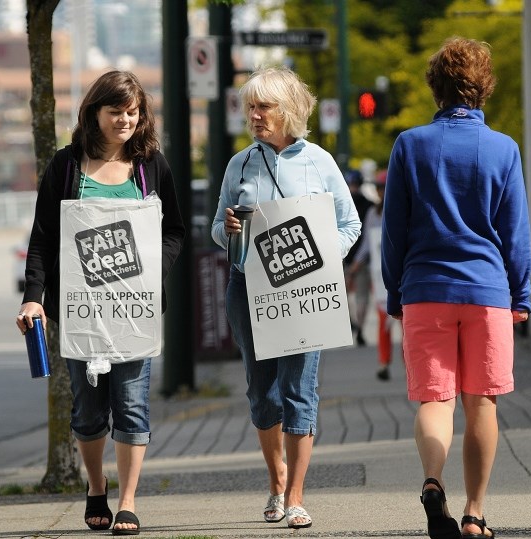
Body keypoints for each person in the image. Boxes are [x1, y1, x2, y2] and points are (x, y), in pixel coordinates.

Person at [15, 70, 185, 535]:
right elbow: (43, 240)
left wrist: (152, 274)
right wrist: (34, 298)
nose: (126, 120)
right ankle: (96, 486)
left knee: (132, 405)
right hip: (81, 313)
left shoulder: (152, 166)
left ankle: (128, 502)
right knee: (88, 413)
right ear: (94, 113)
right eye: (116, 112)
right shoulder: (67, 167)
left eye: (133, 112)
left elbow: (173, 232)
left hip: (135, 312)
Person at [381, 37, 531, 539]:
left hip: (424, 287)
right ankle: (474, 513)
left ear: (436, 86)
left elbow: (394, 230)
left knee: (434, 401)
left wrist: (394, 292)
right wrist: (521, 294)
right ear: (483, 86)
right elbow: (516, 233)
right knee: (481, 402)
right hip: (488, 290)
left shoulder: (410, 145)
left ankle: (431, 481)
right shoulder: (504, 149)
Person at [211, 66, 361, 530]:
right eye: (250, 107)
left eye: (264, 107)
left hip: (303, 292)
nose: (255, 116)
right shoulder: (240, 164)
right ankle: (276, 478)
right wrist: (229, 231)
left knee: (300, 391)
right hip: (248, 289)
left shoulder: (319, 161)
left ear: (289, 109)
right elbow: (217, 227)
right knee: (262, 393)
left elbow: (349, 225)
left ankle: (295, 495)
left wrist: (319, 258)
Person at [349, 170, 400, 381]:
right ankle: (383, 362)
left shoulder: (404, 210)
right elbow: (368, 244)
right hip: (381, 276)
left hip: (404, 274)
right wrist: (356, 264)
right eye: (379, 188)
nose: (382, 192)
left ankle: (411, 366)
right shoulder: (374, 213)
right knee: (383, 319)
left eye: (385, 188)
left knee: (407, 324)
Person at [343, 169, 374, 346]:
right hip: (361, 258)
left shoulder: (342, 204)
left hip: (346, 256)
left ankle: (354, 324)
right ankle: (359, 328)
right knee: (361, 296)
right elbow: (369, 235)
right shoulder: (370, 205)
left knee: (345, 295)